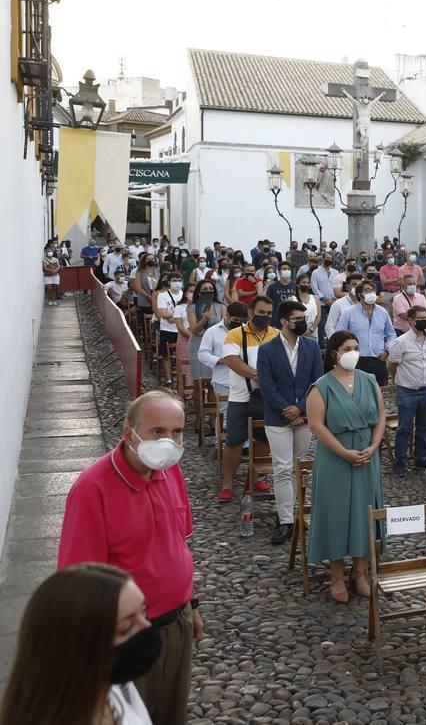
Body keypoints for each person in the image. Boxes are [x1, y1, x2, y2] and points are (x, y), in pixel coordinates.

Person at [57, 391, 202, 725]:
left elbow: (179, 544)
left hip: (176, 624)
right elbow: (78, 580)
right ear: (129, 434)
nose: (169, 441)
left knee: (171, 713)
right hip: (128, 636)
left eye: (177, 432)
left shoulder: (170, 472)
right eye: (157, 432)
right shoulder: (92, 490)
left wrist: (191, 605)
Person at [0, 563, 158, 725]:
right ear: (77, 646)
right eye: (127, 627)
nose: (147, 627)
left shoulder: (113, 687)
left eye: (143, 612)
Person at [306, 331, 386, 603]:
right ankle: (337, 575)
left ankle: (360, 571)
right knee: (336, 513)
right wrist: (344, 452)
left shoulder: (369, 380)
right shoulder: (321, 386)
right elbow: (316, 425)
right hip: (335, 456)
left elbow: (381, 416)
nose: (353, 352)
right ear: (334, 353)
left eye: (356, 347)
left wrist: (374, 446)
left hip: (366, 453)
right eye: (347, 348)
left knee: (365, 512)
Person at [255, 299, 322, 546]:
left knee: (300, 467)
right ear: (284, 322)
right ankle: (286, 520)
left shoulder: (312, 347)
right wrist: (287, 410)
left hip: (305, 416)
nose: (303, 323)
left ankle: (301, 511)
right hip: (277, 417)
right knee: (283, 468)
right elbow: (266, 384)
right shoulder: (267, 349)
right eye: (298, 320)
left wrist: (301, 408)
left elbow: (317, 380)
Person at [218, 296, 278, 502]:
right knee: (234, 440)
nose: (266, 317)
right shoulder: (235, 334)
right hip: (240, 397)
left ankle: (255, 478)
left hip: (267, 398)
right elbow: (231, 360)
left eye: (269, 314)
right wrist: (257, 375)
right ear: (251, 312)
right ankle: (227, 483)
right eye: (261, 313)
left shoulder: (276, 334)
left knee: (263, 440)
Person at [387, 305, 426, 478]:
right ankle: (400, 462)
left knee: (425, 426)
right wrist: (403, 380)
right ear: (410, 320)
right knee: (404, 428)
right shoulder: (401, 342)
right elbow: (392, 365)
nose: (423, 320)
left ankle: (420, 457)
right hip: (408, 391)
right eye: (419, 318)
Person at [335, 281, 396, 386]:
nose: (372, 293)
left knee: (379, 392)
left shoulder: (383, 312)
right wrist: (348, 353)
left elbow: (391, 334)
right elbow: (339, 335)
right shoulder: (349, 313)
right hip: (357, 360)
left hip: (379, 359)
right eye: (367, 290)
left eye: (373, 290)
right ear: (360, 295)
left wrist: (387, 351)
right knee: (359, 391)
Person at [198, 301, 247, 405]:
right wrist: (222, 360)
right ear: (227, 315)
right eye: (235, 320)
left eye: (241, 321)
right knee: (224, 415)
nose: (238, 323)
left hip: (243, 381)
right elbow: (202, 354)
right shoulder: (212, 331)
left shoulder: (246, 331)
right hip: (223, 381)